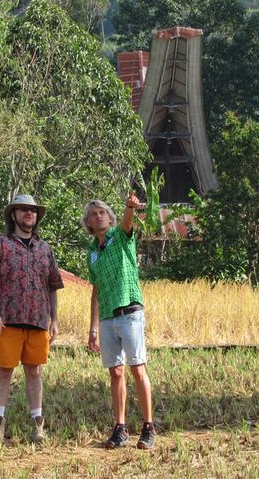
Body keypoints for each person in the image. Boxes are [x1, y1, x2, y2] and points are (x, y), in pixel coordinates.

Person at [0, 194, 63, 445]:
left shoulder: (45, 249)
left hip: (37, 321)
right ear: (13, 214)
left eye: (33, 211)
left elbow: (53, 286)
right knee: (3, 372)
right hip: (7, 321)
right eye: (24, 210)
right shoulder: (1, 245)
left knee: (34, 372)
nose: (29, 214)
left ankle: (38, 427)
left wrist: (54, 319)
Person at [83, 192, 155, 449]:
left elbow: (127, 225)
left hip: (130, 311)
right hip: (106, 318)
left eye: (102, 212)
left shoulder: (121, 237)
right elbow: (96, 290)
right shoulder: (92, 253)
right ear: (89, 224)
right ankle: (120, 428)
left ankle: (148, 427)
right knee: (116, 372)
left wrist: (129, 208)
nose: (98, 215)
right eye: (93, 214)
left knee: (137, 369)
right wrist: (92, 328)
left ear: (110, 218)